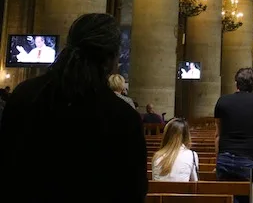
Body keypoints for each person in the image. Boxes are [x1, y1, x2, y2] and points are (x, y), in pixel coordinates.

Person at [0, 13, 147, 201]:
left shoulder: (25, 95)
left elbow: (6, 166)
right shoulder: (123, 117)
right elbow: (133, 190)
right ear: (111, 59)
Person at [214, 67, 253, 202]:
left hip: (224, 158)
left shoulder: (222, 101)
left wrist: (218, 160)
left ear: (236, 83)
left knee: (226, 199)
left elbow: (218, 135)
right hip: (248, 159)